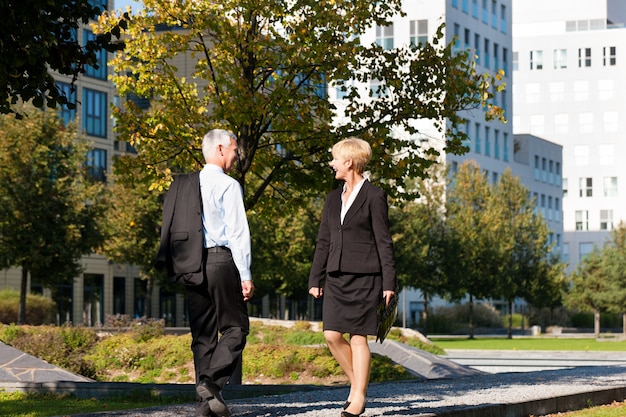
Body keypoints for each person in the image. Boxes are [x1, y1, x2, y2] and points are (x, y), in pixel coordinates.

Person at [155, 128, 254, 417]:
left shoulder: (183, 185)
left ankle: (203, 408)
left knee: (203, 336)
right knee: (236, 328)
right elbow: (237, 233)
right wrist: (245, 273)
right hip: (221, 262)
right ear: (221, 149)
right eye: (235, 150)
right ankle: (210, 382)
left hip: (190, 263)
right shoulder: (229, 185)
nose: (237, 155)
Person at [308, 137, 396, 417]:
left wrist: (389, 282)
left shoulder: (374, 195)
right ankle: (358, 385)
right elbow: (323, 240)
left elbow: (384, 241)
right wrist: (315, 278)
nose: (331, 163)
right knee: (332, 335)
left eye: (335, 159)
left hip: (366, 276)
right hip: (335, 276)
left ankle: (357, 396)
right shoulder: (332, 197)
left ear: (349, 162)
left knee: (359, 339)